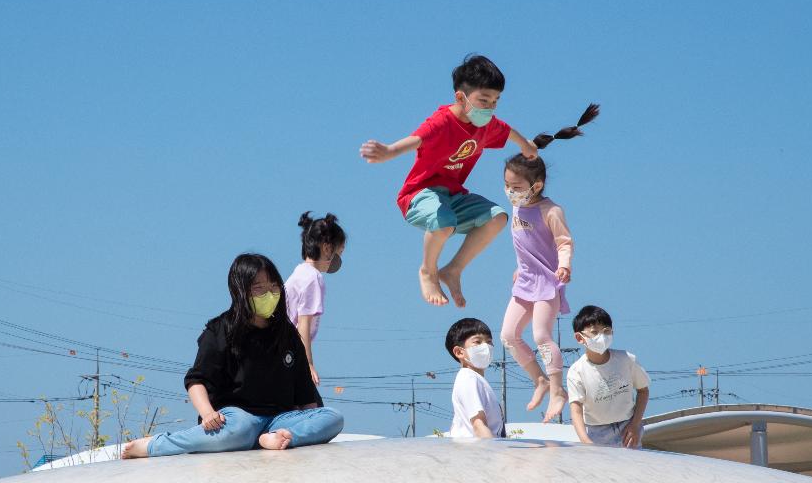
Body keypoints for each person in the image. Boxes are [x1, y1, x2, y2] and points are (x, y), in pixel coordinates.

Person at [121, 253, 344, 458]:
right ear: (240, 291)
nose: (269, 294)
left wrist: (311, 427)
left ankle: (281, 438)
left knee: (333, 417)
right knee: (241, 430)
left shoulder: (287, 334)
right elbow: (196, 380)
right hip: (236, 418)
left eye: (273, 286)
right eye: (259, 288)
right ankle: (155, 445)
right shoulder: (219, 330)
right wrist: (207, 414)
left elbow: (306, 396)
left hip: (279, 420)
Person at [359, 54, 537, 309]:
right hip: (419, 195)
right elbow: (417, 139)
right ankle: (428, 272)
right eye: (483, 101)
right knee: (443, 224)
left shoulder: (486, 126)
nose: (489, 108)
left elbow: (507, 131)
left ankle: (452, 270)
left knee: (497, 217)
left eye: (495, 101)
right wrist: (389, 151)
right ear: (460, 97)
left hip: (453, 196)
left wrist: (526, 145)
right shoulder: (443, 121)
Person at [500, 153, 573, 422]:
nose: (510, 192)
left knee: (541, 335)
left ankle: (557, 390)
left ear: (537, 185)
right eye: (507, 185)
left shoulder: (550, 211)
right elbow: (526, 245)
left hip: (547, 282)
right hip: (525, 281)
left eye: (517, 187)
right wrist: (520, 267)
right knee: (508, 336)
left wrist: (564, 265)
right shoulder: (517, 208)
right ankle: (539, 380)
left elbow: (563, 242)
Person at [566, 305, 650, 448]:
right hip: (596, 431)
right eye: (595, 332)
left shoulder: (627, 359)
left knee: (632, 469)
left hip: (627, 427)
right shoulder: (576, 371)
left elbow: (643, 390)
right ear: (579, 338)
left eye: (606, 331)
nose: (602, 337)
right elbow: (576, 409)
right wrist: (585, 441)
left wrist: (635, 425)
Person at [284, 212, 347, 386]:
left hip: (283, 351)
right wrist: (308, 364)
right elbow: (303, 323)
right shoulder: (314, 278)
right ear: (327, 248)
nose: (338, 260)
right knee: (310, 409)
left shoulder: (299, 273)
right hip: (291, 353)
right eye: (339, 252)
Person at [444, 317, 505, 439]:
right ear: (459, 352)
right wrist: (496, 454)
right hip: (477, 454)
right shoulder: (469, 379)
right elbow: (479, 425)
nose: (486, 347)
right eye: (477, 342)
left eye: (489, 342)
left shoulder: (476, 379)